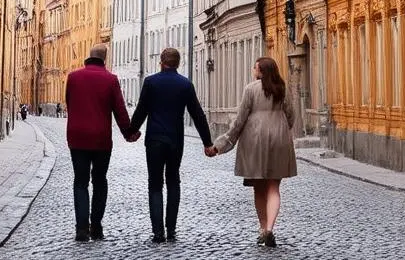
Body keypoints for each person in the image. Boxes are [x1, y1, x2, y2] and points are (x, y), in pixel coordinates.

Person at [126, 47, 216, 244]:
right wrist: (207, 142)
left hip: (155, 140)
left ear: (161, 62)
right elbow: (197, 114)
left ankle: (158, 232)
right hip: (175, 140)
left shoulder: (151, 82)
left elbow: (141, 110)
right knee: (174, 181)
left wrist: (131, 131)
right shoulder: (185, 84)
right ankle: (172, 229)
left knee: (155, 184)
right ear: (178, 63)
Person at [214, 56, 297, 248]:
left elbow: (240, 119)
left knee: (259, 187)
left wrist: (222, 144)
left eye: (255, 68)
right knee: (274, 187)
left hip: (255, 138)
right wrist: (283, 128)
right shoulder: (281, 89)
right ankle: (269, 228)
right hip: (279, 137)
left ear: (260, 72)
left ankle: (262, 229)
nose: (253, 71)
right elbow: (291, 115)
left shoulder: (251, 89)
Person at [65, 43, 139, 242]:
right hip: (101, 139)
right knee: (99, 181)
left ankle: (81, 228)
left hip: (77, 137)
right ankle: (96, 226)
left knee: (80, 182)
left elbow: (69, 103)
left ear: (89, 57)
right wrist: (128, 132)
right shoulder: (110, 79)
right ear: (104, 58)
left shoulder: (73, 78)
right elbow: (120, 110)